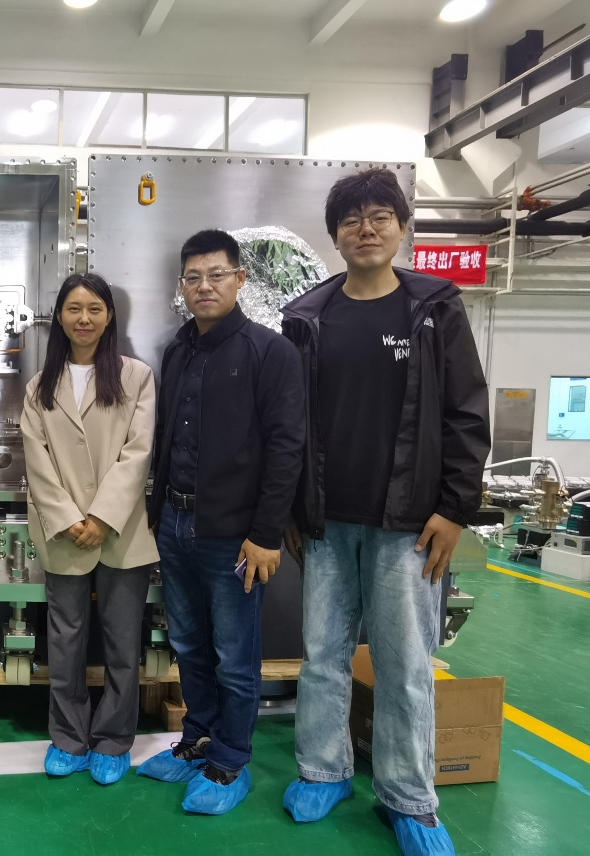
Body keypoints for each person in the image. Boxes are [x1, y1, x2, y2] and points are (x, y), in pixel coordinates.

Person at [279, 169, 490, 856]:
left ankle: (409, 799)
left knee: (403, 665)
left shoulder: (433, 309)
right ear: (335, 235)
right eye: (351, 219)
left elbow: (466, 412)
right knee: (322, 657)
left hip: (409, 525)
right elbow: (290, 422)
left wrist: (455, 508)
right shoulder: (307, 317)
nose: (365, 229)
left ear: (401, 228)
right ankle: (323, 770)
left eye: (379, 217)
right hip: (327, 522)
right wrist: (292, 508)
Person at [137, 229, 305, 815]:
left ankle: (231, 759)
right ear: (182, 286)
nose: (203, 286)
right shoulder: (178, 351)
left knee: (235, 654)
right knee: (188, 643)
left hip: (235, 537)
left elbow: (287, 448)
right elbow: (166, 439)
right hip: (176, 524)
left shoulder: (270, 352)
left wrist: (265, 534)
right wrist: (158, 520)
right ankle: (198, 740)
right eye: (193, 277)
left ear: (240, 279)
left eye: (216, 275)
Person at [21, 272, 159, 786]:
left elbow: (138, 452)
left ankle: (114, 740)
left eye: (94, 309)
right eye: (74, 309)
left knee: (123, 642)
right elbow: (37, 461)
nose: (84, 318)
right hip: (63, 532)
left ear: (109, 317)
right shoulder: (40, 386)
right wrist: (68, 517)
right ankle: (68, 738)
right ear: (59, 317)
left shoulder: (135, 377)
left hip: (120, 529)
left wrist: (101, 517)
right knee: (65, 641)